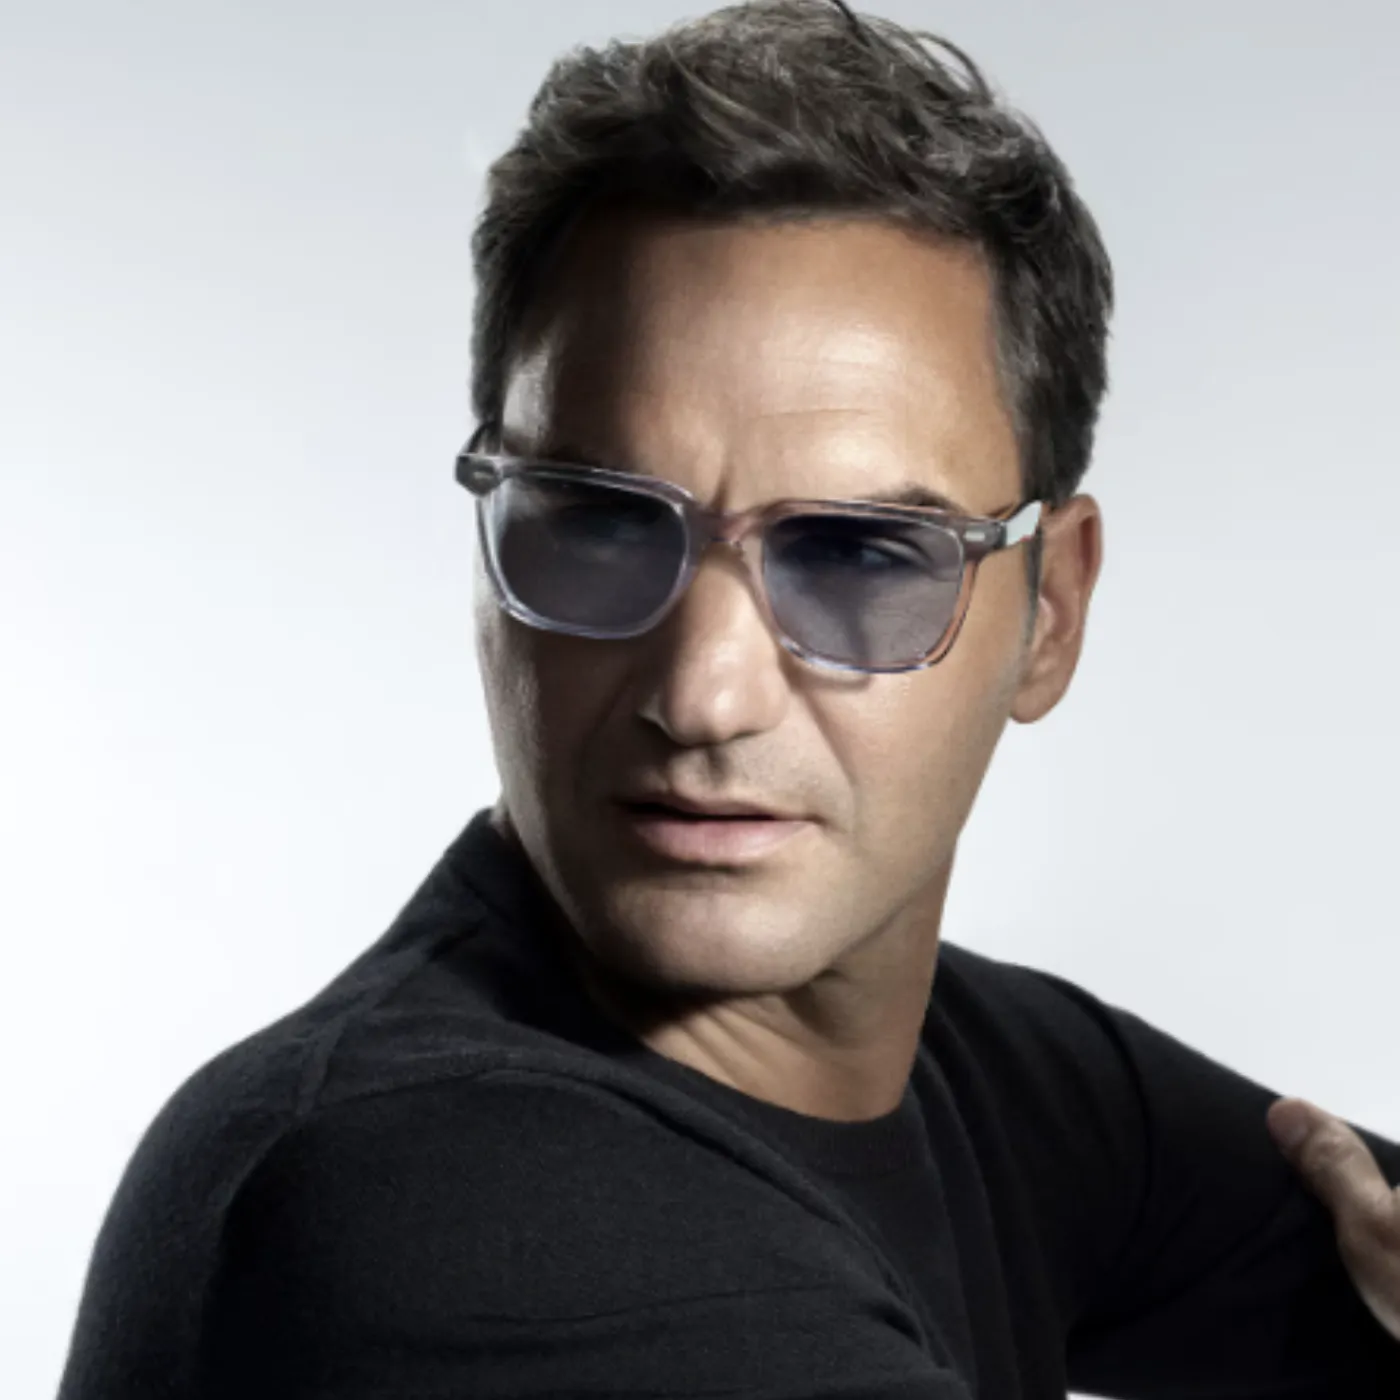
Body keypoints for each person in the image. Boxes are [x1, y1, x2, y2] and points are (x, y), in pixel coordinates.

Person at [56, 1, 1400, 1396]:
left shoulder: (969, 1075)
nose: (701, 696)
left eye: (860, 554)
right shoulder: (435, 1202)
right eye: (598, 524)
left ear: (1048, 612)